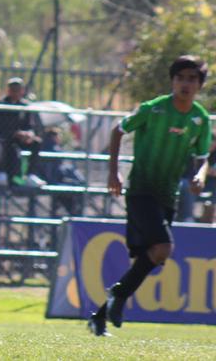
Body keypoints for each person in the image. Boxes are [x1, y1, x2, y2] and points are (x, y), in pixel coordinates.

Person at [88, 55, 211, 337]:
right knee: (163, 249)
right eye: (181, 78)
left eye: (192, 79)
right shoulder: (153, 109)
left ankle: (102, 313)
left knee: (152, 256)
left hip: (167, 195)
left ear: (199, 85)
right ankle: (117, 297)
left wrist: (200, 175)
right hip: (142, 189)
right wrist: (113, 173)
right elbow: (118, 131)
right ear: (173, 81)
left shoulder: (200, 119)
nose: (185, 83)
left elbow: (202, 158)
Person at [0, 77, 43, 186]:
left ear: (22, 91)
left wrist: (28, 134)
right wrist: (14, 132)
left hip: (19, 139)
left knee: (36, 142)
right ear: (8, 90)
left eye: (18, 89)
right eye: (13, 89)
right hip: (2, 137)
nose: (15, 92)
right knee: (5, 143)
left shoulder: (25, 106)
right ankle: (2, 173)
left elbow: (29, 125)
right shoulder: (0, 104)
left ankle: (30, 175)